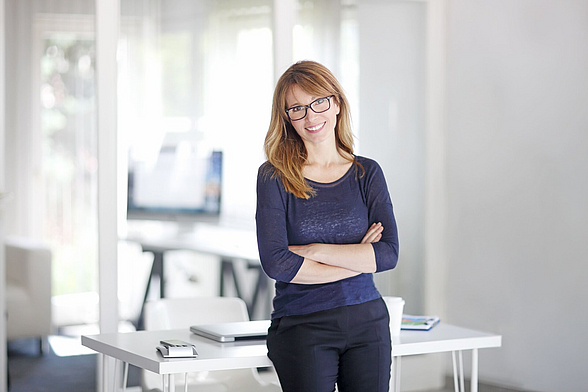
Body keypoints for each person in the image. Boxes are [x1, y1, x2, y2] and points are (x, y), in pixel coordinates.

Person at [256, 60, 399, 392]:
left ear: (336, 103)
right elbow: (277, 263)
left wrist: (316, 252)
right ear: (287, 118)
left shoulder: (367, 173)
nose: (310, 116)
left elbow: (388, 254)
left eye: (318, 102)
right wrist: (359, 257)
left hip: (368, 321)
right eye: (297, 108)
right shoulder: (274, 177)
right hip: (303, 325)